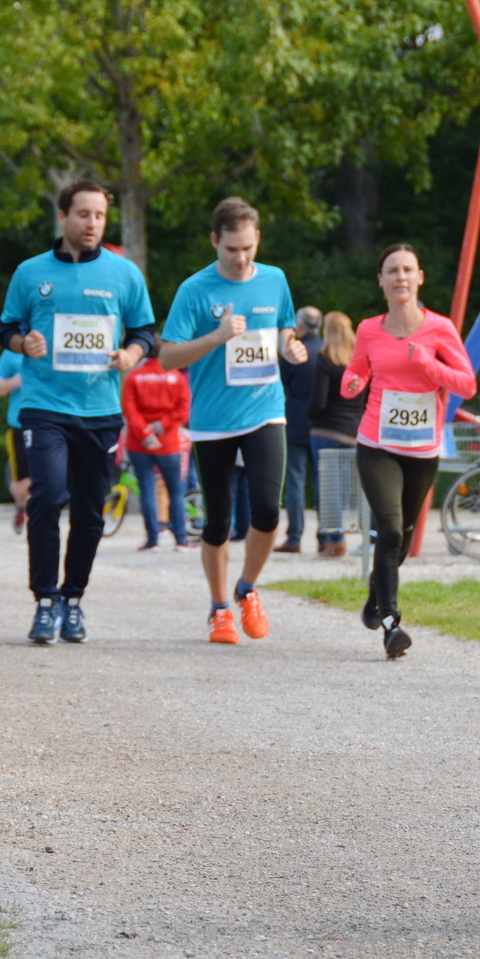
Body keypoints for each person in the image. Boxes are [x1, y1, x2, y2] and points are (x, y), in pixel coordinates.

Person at [0, 179, 155, 646]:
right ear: (62, 217)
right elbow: (5, 327)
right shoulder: (30, 273)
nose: (92, 224)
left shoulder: (124, 274)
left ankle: (74, 600)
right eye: (83, 214)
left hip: (100, 410)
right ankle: (44, 601)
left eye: (100, 216)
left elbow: (145, 332)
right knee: (46, 498)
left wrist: (131, 354)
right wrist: (22, 342)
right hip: (44, 406)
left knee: (90, 512)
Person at [158, 196, 306, 645]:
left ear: (257, 239)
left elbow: (283, 325)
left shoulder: (275, 280)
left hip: (265, 410)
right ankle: (220, 607)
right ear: (214, 243)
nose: (241, 259)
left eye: (247, 248)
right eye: (230, 250)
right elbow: (167, 356)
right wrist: (216, 337)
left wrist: (289, 345)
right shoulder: (194, 290)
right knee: (219, 520)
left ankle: (248, 588)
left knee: (266, 509)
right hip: (213, 419)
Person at [342, 246, 476, 659]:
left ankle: (376, 593)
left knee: (400, 544)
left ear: (420, 278)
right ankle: (391, 624)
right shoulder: (368, 329)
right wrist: (351, 381)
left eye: (407, 270)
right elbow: (358, 368)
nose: (399, 277)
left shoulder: (439, 329)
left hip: (422, 448)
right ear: (380, 281)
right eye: (391, 271)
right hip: (377, 444)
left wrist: (428, 366)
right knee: (392, 529)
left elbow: (466, 384)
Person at [121, 349, 193, 552]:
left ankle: (153, 539)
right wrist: (161, 427)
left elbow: (129, 409)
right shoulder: (175, 376)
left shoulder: (134, 376)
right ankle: (180, 539)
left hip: (138, 443)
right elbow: (183, 409)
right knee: (176, 490)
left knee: (147, 488)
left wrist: (145, 434)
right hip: (168, 442)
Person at [307, 311, 365, 558]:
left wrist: (306, 413)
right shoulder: (359, 363)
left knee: (327, 489)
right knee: (344, 489)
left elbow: (318, 402)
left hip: (326, 431)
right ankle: (342, 537)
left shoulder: (325, 360)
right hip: (352, 432)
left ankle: (333, 539)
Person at [274, 305, 322, 552]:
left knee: (295, 480)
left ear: (300, 326)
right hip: (324, 426)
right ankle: (327, 537)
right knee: (324, 482)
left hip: (296, 423)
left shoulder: (294, 354)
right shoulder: (327, 351)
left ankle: (294, 537)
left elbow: (280, 383)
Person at [0, 348, 30, 534]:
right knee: (23, 486)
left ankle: (40, 517)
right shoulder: (14, 351)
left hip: (52, 424)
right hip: (20, 425)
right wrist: (17, 381)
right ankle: (21, 506)